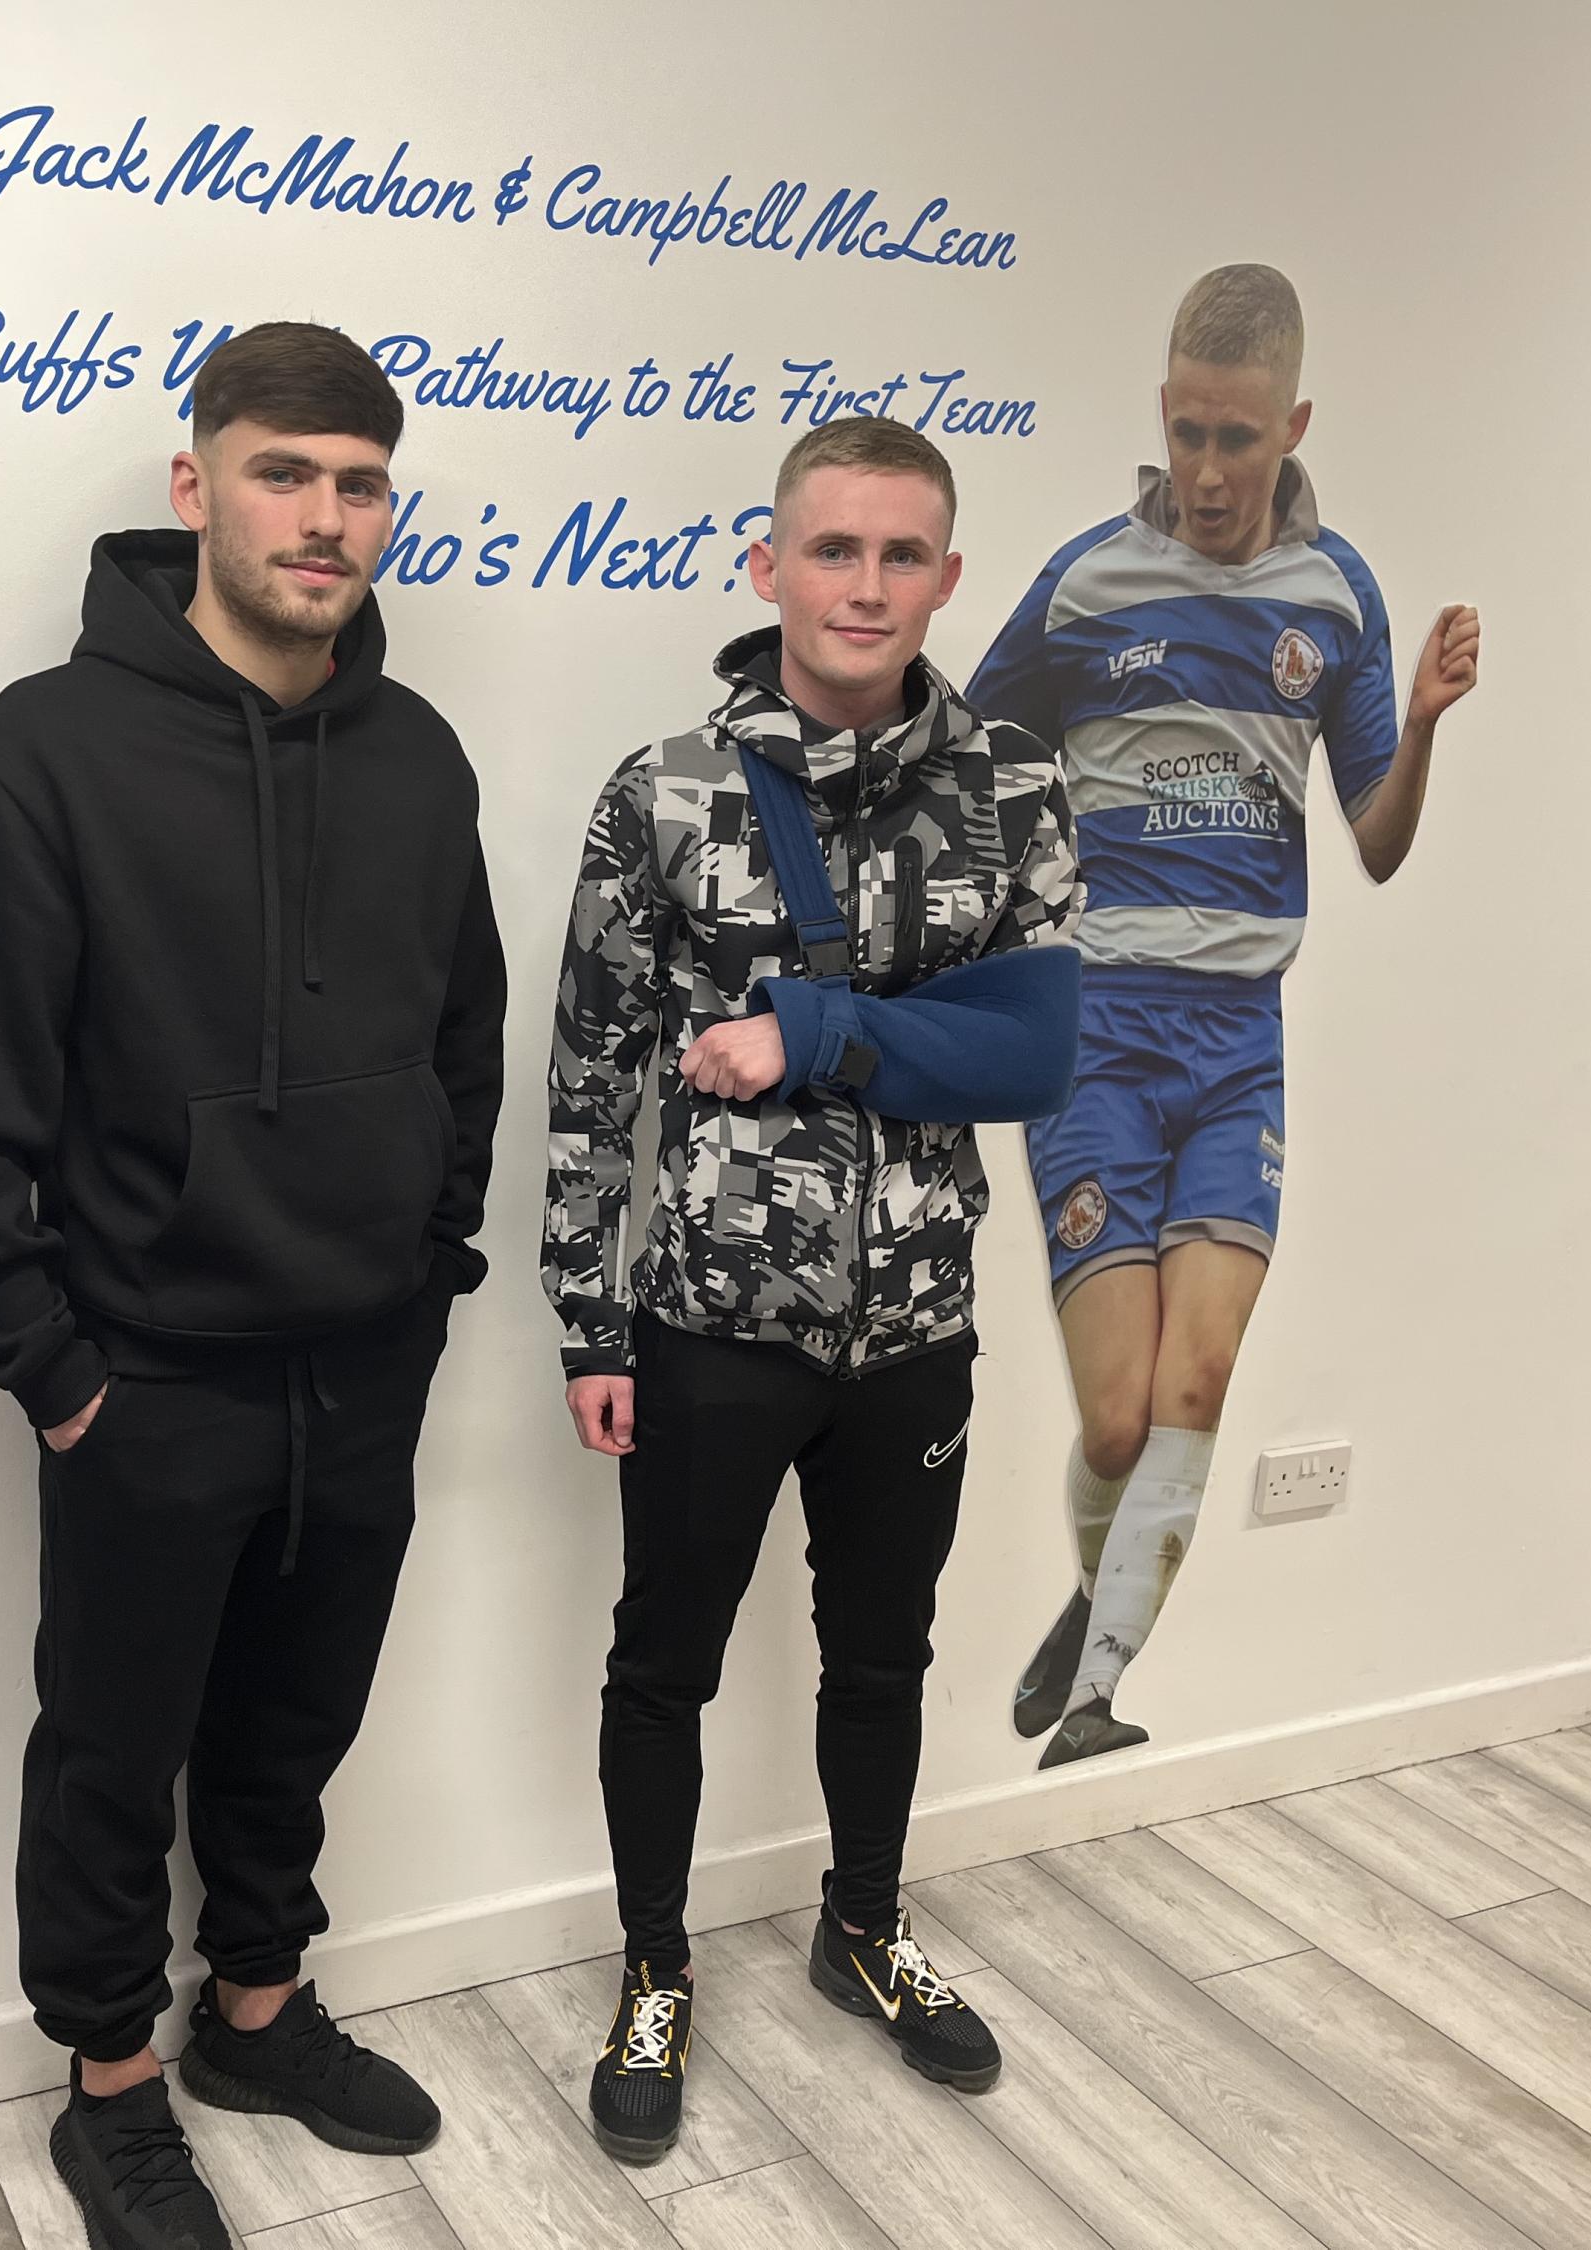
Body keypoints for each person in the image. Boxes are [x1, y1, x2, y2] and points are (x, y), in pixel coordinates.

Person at [0, 322, 505, 2250]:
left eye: (359, 484)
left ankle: (255, 2010)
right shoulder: (46, 752)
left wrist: (426, 1271)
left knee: (294, 1719)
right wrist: (52, 1359)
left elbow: (468, 1031)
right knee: (112, 1745)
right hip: (148, 1372)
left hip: (362, 1354)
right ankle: (109, 2087)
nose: (324, 517)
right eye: (283, 473)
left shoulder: (417, 756)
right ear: (198, 486)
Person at [542, 416, 1081, 2165]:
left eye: (902, 553)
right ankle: (654, 1967)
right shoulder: (664, 791)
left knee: (885, 1652)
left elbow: (1037, 1053)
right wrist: (589, 1316)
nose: (865, 584)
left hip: (915, 1325)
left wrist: (814, 1030)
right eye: (832, 549)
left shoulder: (1014, 788)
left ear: (947, 574)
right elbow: (593, 1077)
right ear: (768, 564)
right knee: (663, 1662)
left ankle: (864, 1925)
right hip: (708, 1323)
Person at [969, 265, 1480, 1768]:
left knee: (1198, 1382)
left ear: (1293, 426)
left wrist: (1422, 730)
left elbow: (1377, 843)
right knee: (1118, 1422)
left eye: (1237, 439)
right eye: (1185, 431)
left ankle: (1096, 1688)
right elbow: (974, 756)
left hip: (1239, 1046)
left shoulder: (1336, 596)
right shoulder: (1085, 583)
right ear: (1163, 414)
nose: (1204, 471)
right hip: (1096, 1038)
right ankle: (1097, 1594)